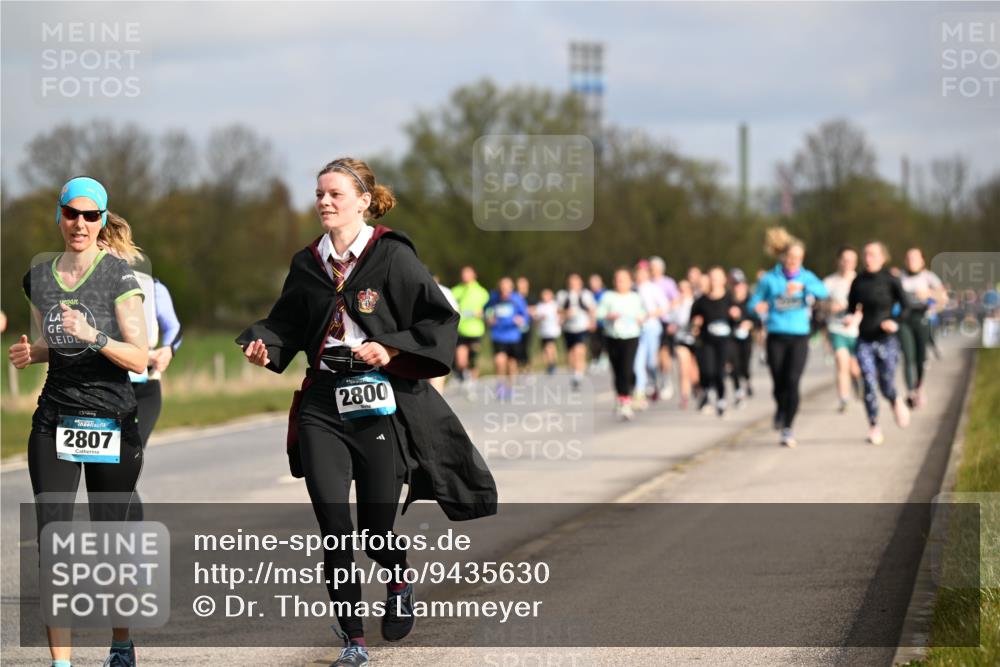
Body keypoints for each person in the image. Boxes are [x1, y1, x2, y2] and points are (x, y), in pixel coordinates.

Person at [237, 158, 497, 667]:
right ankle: (354, 641)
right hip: (321, 404)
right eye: (318, 194)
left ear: (363, 200)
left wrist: (392, 349)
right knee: (334, 525)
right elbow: (287, 322)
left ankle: (397, 572)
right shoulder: (307, 263)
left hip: (378, 405)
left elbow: (439, 318)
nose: (324, 202)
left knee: (375, 531)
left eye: (335, 194)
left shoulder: (392, 257)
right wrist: (265, 344)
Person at [10, 177, 148, 667]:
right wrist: (35, 351)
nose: (81, 224)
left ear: (103, 221)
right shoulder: (40, 277)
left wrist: (94, 335)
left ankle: (120, 644)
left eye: (92, 217)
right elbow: (55, 341)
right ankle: (61, 663)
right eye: (73, 214)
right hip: (54, 420)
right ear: (60, 215)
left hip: (111, 419)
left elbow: (139, 358)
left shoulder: (119, 277)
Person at [748, 227, 829, 447]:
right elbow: (752, 302)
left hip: (799, 336)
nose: (794, 261)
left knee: (793, 381)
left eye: (798, 258)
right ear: (783, 257)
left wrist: (804, 286)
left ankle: (788, 427)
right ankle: (781, 408)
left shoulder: (806, 277)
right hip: (776, 335)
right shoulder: (769, 279)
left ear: (802, 259)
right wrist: (758, 306)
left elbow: (823, 292)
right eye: (791, 257)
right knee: (778, 382)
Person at [844, 241, 911, 445]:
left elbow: (906, 306)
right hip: (865, 339)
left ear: (883, 258)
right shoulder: (858, 282)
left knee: (886, 383)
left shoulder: (891, 280)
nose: (868, 259)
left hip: (887, 339)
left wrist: (895, 322)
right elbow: (851, 307)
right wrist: (850, 318)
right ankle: (873, 425)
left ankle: (895, 399)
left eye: (873, 255)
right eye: (865, 255)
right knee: (869, 383)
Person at [596, 268, 646, 420]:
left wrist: (641, 318)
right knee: (617, 370)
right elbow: (599, 314)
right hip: (613, 336)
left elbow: (642, 313)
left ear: (630, 281)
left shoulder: (634, 297)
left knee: (627, 368)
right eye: (617, 279)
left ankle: (626, 401)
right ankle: (621, 397)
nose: (620, 282)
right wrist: (608, 316)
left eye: (623, 279)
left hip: (631, 336)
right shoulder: (608, 296)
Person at [898, 248, 946, 409]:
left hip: (922, 319)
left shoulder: (929, 277)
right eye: (909, 258)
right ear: (905, 260)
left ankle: (919, 386)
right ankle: (911, 391)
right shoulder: (899, 277)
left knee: (920, 358)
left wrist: (929, 294)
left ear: (922, 261)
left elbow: (943, 299)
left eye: (915, 259)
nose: (912, 261)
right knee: (908, 356)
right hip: (904, 320)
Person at [690, 267, 735, 417]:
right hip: (707, 341)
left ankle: (721, 399)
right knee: (707, 370)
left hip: (724, 341)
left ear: (724, 280)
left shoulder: (729, 298)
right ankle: (706, 391)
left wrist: (737, 317)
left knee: (719, 372)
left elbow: (740, 319)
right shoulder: (702, 300)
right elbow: (692, 320)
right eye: (712, 277)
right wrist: (695, 323)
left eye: (717, 277)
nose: (714, 280)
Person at [823, 247, 862, 413]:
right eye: (844, 259)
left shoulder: (861, 280)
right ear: (838, 261)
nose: (847, 263)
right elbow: (819, 304)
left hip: (858, 330)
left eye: (851, 260)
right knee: (841, 363)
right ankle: (844, 399)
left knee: (855, 367)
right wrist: (830, 307)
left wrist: (856, 315)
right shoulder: (829, 282)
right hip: (836, 328)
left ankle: (857, 382)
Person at [485, 277, 529, 400]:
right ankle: (500, 385)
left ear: (511, 288)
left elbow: (525, 316)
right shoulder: (494, 298)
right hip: (498, 334)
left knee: (511, 363)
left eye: (506, 289)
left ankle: (510, 386)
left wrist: (521, 320)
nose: (504, 291)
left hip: (513, 336)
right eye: (502, 289)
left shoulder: (517, 299)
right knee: (499, 360)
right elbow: (487, 310)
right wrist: (489, 319)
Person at [633, 260, 668, 409]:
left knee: (650, 362)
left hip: (652, 328)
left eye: (643, 272)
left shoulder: (653, 288)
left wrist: (649, 315)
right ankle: (640, 393)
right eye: (638, 273)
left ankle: (653, 382)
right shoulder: (632, 289)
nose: (640, 276)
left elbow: (665, 307)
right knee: (637, 362)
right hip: (635, 330)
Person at [451, 266, 490, 398]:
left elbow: (490, 310)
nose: (465, 276)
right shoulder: (455, 291)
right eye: (463, 273)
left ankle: (472, 382)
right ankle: (464, 377)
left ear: (474, 275)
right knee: (461, 359)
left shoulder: (482, 292)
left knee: (473, 359)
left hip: (475, 330)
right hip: (461, 330)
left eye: (468, 273)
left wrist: (484, 313)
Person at [557, 273, 597, 390]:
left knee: (579, 350)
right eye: (571, 282)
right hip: (568, 327)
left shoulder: (586, 294)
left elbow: (592, 309)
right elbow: (558, 310)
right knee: (571, 353)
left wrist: (592, 321)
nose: (573, 284)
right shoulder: (563, 295)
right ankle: (573, 372)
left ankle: (578, 375)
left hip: (582, 327)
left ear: (580, 283)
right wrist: (565, 313)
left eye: (576, 282)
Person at [649, 256, 679, 400]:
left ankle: (667, 381)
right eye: (651, 268)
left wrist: (668, 313)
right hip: (650, 323)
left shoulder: (668, 283)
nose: (653, 271)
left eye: (655, 269)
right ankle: (655, 381)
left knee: (664, 353)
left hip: (664, 321)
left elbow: (676, 300)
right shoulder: (646, 284)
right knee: (652, 355)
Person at [668, 279, 699, 409]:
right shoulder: (676, 305)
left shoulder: (696, 303)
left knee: (694, 370)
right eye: (679, 289)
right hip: (681, 340)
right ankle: (684, 396)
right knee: (683, 368)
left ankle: (698, 387)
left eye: (684, 289)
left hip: (695, 340)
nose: (682, 292)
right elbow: (671, 321)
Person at [728, 269, 755, 406]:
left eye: (739, 284)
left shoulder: (750, 300)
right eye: (734, 284)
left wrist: (749, 323)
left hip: (746, 338)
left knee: (744, 365)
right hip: (731, 338)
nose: (737, 287)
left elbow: (757, 319)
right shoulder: (728, 300)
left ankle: (747, 380)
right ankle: (738, 391)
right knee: (733, 366)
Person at [429, 275, 459, 394]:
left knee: (436, 367)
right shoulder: (414, 289)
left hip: (441, 335)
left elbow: (455, 313)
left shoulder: (445, 291)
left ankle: (437, 398)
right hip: (423, 335)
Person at [533, 288, 561, 375]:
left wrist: (559, 321)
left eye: (547, 295)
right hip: (543, 331)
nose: (545, 297)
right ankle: (550, 363)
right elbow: (535, 318)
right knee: (546, 348)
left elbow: (560, 315)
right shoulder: (539, 306)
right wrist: (539, 318)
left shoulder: (554, 305)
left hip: (552, 330)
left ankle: (552, 364)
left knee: (550, 346)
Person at [514, 276, 535, 372]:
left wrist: (525, 311)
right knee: (516, 348)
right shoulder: (513, 297)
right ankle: (519, 367)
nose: (521, 286)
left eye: (523, 284)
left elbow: (533, 311)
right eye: (519, 284)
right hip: (515, 327)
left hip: (527, 326)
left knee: (525, 347)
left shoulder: (530, 297)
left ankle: (527, 366)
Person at [587, 273, 608, 370]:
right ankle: (595, 359)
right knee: (594, 343)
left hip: (604, 323)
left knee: (604, 342)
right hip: (593, 323)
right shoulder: (588, 295)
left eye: (595, 281)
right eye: (591, 282)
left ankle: (604, 359)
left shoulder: (606, 294)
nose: (593, 284)